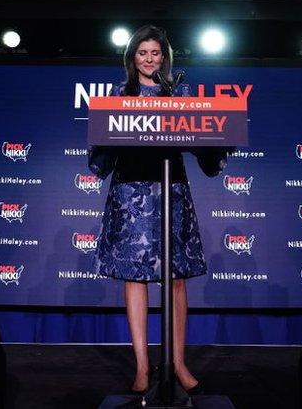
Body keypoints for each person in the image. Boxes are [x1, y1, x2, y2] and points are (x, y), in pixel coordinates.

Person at [88, 25, 227, 395]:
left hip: (172, 189)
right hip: (132, 192)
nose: (149, 59)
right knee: (135, 277)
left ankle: (178, 363)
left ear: (164, 57)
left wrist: (217, 146)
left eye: (155, 53)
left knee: (175, 276)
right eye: (142, 53)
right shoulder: (120, 94)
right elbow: (103, 144)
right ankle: (142, 367)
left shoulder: (179, 93)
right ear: (132, 57)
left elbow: (204, 139)